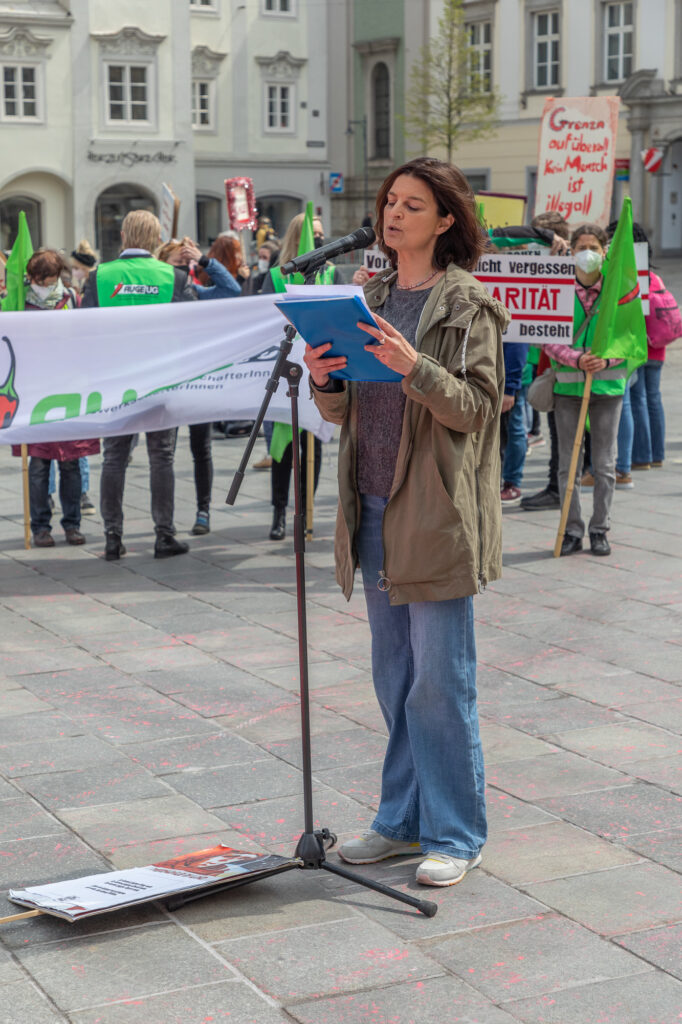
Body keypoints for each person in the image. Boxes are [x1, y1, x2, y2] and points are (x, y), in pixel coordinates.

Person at [304, 157, 508, 887]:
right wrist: (325, 375)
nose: (393, 214)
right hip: (372, 501)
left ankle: (456, 832)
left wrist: (414, 366)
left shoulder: (467, 303)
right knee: (394, 676)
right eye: (390, 201)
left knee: (439, 682)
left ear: (445, 220)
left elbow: (479, 408)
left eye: (412, 205)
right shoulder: (374, 295)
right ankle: (399, 822)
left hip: (434, 511)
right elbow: (347, 410)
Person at [81, 210, 196, 560]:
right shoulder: (173, 276)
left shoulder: (99, 276)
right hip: (161, 382)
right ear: (156, 238)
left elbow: (85, 330)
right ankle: (164, 535)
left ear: (123, 236)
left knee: (114, 458)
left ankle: (112, 537)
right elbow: (192, 328)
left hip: (116, 382)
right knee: (161, 457)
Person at [544, 223, 626, 557]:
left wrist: (604, 362)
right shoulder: (559, 288)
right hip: (568, 387)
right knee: (569, 465)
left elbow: (632, 335)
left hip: (608, 388)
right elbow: (546, 331)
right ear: (572, 250)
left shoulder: (619, 290)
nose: (587, 253)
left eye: (594, 246)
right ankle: (571, 529)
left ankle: (600, 529)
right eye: (581, 247)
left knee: (605, 465)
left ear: (605, 251)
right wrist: (576, 359)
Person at [11, 249, 99, 547]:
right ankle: (40, 527)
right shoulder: (18, 301)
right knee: (37, 465)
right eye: (36, 279)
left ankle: (72, 525)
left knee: (71, 462)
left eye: (46, 279)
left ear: (56, 276)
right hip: (34, 394)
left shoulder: (71, 299)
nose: (41, 285)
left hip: (67, 390)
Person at [263, 212, 340, 540]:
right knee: (283, 447)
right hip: (285, 371)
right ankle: (279, 512)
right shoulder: (276, 276)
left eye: (323, 233)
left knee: (314, 446)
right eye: (315, 233)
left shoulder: (332, 273)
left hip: (320, 369)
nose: (320, 239)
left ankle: (305, 510)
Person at [156, 236, 241, 534]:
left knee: (200, 448)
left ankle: (202, 511)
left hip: (197, 381)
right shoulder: (157, 295)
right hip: (165, 381)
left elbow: (232, 290)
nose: (181, 270)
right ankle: (163, 522)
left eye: (185, 264)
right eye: (176, 264)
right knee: (163, 452)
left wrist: (204, 260)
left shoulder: (194, 292)